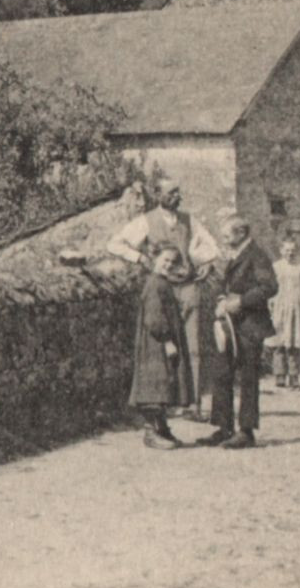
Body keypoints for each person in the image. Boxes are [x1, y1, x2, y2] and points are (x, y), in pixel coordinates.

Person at [108, 176, 221, 420]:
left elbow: (212, 246)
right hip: (163, 289)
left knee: (193, 345)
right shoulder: (146, 222)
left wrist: (207, 264)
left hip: (189, 287)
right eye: (172, 193)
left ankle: (193, 404)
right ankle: (166, 403)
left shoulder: (190, 220)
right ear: (158, 195)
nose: (177, 197)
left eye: (178, 192)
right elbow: (115, 244)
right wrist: (139, 258)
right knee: (163, 344)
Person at [201, 212, 278, 449]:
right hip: (230, 324)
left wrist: (241, 302)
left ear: (241, 233)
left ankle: (246, 432)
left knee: (247, 378)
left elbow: (270, 287)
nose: (223, 240)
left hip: (250, 325)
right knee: (221, 372)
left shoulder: (257, 255)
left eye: (226, 235)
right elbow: (227, 284)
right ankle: (224, 428)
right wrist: (223, 298)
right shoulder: (235, 254)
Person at [129, 245, 194, 450]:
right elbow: (154, 318)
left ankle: (162, 428)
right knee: (154, 386)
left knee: (164, 385)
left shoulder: (162, 282)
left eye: (173, 262)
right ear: (155, 259)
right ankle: (150, 432)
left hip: (161, 342)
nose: (168, 265)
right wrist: (166, 340)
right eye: (165, 260)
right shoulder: (154, 284)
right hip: (155, 344)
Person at [268, 237, 300, 389]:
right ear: (281, 251)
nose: (290, 254)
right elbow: (270, 287)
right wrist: (270, 302)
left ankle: (294, 376)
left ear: (297, 252)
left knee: (294, 342)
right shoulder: (276, 267)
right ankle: (280, 375)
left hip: (296, 307)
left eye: (293, 251)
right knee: (279, 341)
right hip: (280, 307)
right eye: (287, 250)